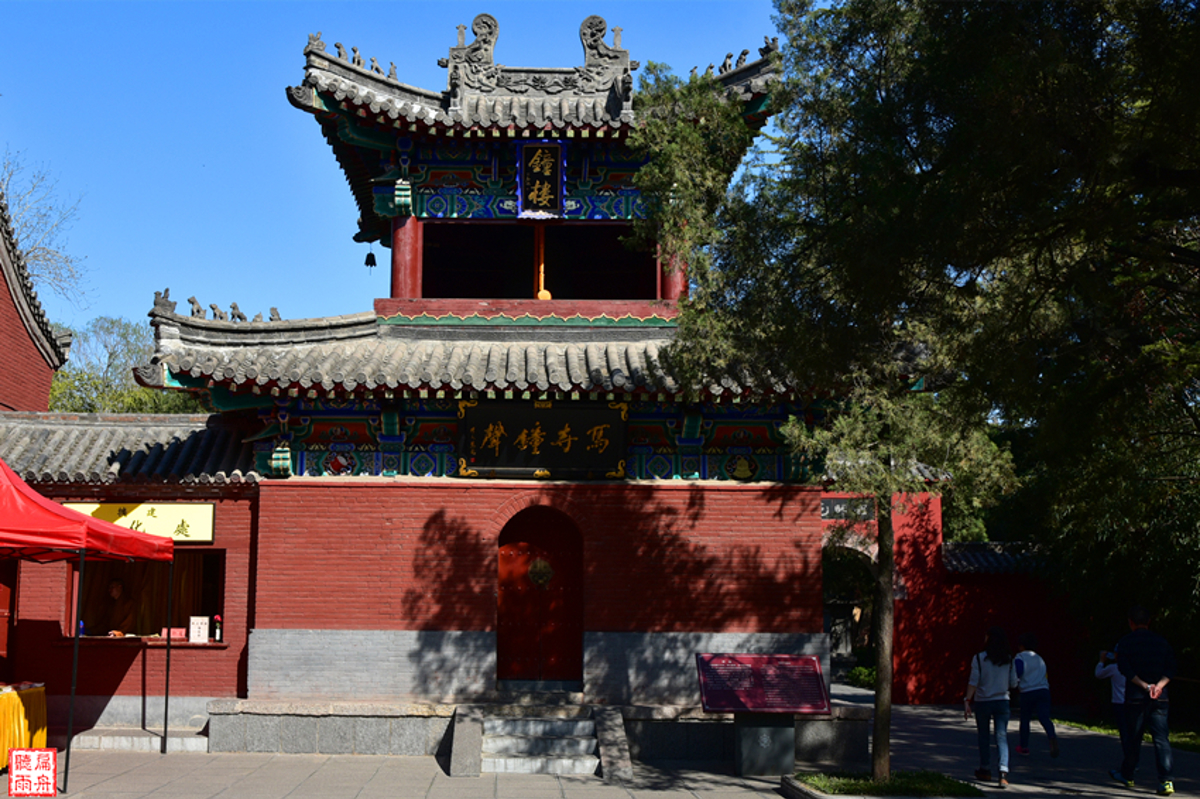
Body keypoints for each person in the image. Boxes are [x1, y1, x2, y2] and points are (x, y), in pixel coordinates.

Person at [1112, 606, 1175, 796]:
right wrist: (1159, 686)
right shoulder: (1162, 642)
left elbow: (1125, 669)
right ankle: (1166, 781)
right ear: (1149, 622)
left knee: (1134, 738)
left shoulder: (1126, 642)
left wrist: (1145, 686)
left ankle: (1128, 774)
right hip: (1160, 697)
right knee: (1162, 739)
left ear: (1131, 622)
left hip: (1136, 697)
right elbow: (1171, 668)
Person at [964, 626, 1018, 789]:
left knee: (984, 736)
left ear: (989, 638)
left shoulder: (979, 658)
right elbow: (1013, 683)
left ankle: (985, 769)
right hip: (1002, 701)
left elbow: (974, 682)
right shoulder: (1008, 659)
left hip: (983, 702)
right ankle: (1003, 773)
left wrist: (967, 700)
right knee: (1001, 736)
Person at [1014, 633, 1059, 757]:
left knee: (1025, 719)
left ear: (1021, 646)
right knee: (1044, 717)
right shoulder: (1039, 658)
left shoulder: (1020, 657)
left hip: (1027, 691)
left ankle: (1024, 746)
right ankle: (1051, 735)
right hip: (1043, 690)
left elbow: (1017, 673)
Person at [1096, 645, 1130, 775]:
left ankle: (1129, 761)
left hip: (1119, 703)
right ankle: (1133, 760)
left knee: (1125, 733)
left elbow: (1098, 674)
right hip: (1132, 702)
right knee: (1132, 733)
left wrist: (1101, 661)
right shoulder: (1132, 668)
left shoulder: (1114, 668)